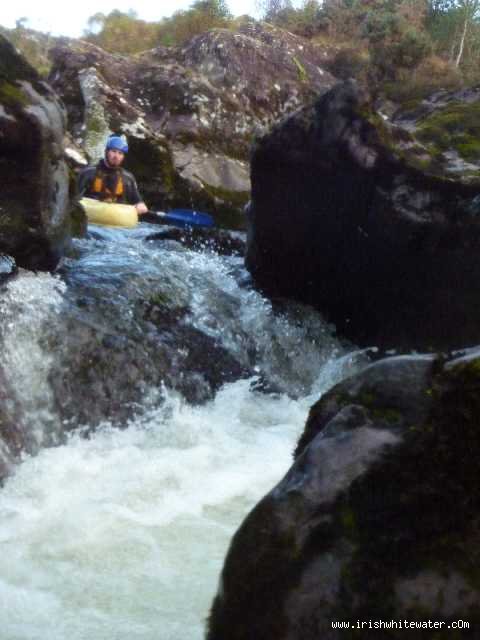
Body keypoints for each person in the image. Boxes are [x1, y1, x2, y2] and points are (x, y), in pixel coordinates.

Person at [77, 135, 148, 215]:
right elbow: (74, 197)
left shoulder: (127, 178)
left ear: (123, 157)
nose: (116, 156)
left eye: (120, 153)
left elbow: (140, 204)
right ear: (106, 152)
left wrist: (140, 206)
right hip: (92, 214)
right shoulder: (88, 173)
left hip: (116, 218)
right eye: (113, 151)